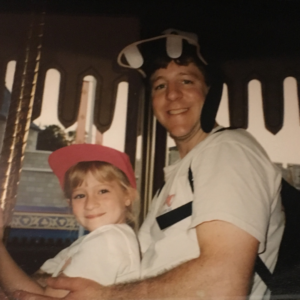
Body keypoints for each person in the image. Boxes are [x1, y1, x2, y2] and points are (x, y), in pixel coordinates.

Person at [14, 29, 284, 300]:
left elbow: (223, 284)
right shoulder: (175, 178)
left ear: (209, 92)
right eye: (160, 86)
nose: (173, 95)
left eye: (186, 81)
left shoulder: (227, 150)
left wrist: (106, 296)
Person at [0, 144, 140, 298]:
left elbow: (40, 296)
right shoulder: (88, 241)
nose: (90, 204)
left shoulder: (108, 240)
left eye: (102, 191)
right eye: (80, 195)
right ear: (70, 203)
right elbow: (35, 283)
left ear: (127, 196)